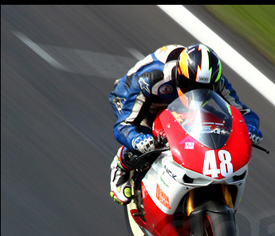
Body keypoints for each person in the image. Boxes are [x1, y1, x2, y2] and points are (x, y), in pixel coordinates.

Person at [108, 43, 263, 204]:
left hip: (177, 104)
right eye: (191, 86)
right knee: (144, 137)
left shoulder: (218, 80)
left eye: (206, 89)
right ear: (179, 75)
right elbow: (124, 125)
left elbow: (243, 112)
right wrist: (137, 140)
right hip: (130, 96)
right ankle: (121, 166)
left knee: (214, 122)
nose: (197, 91)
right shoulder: (153, 79)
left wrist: (249, 128)